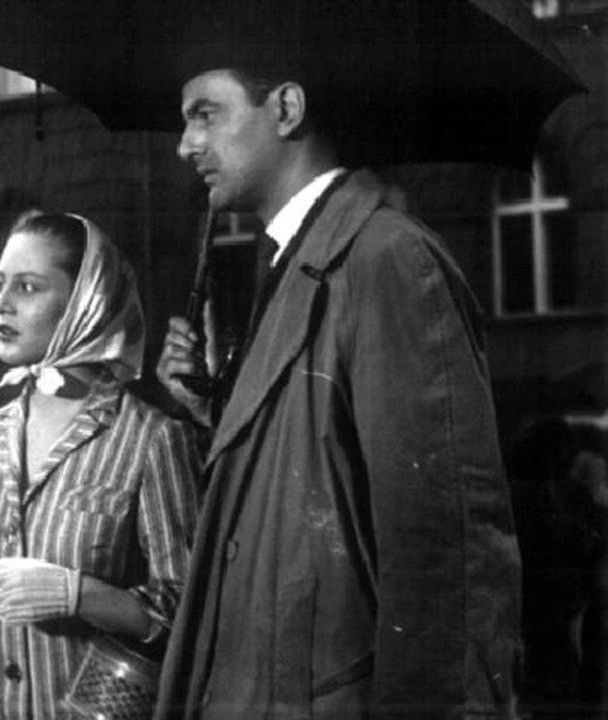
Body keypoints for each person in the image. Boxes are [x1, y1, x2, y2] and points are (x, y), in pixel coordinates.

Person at [152, 64, 522, 718]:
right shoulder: (297, 259)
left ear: (286, 109)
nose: (185, 145)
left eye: (205, 115)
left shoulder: (386, 260)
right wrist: (214, 410)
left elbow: (447, 559)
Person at [0, 212, 201, 718]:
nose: (2, 303)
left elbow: (189, 615)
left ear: (86, 302)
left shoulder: (150, 439)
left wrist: (78, 595)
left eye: (27, 287)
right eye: (0, 284)